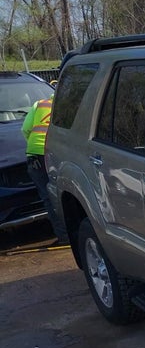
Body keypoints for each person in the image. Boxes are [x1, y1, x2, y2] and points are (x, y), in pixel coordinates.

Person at [22, 93, 68, 245]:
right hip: (59, 152)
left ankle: (63, 237)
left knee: (47, 195)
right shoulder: (68, 106)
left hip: (37, 154)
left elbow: (25, 129)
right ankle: (73, 233)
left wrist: (35, 145)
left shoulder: (39, 104)